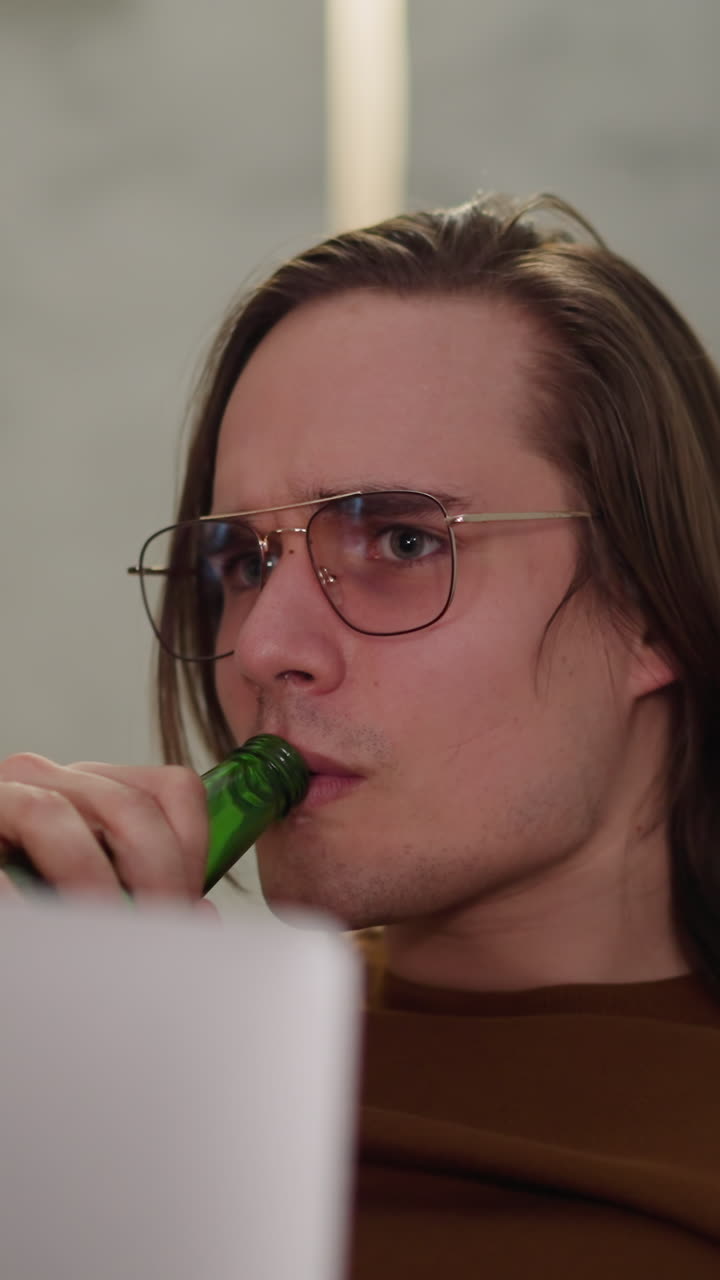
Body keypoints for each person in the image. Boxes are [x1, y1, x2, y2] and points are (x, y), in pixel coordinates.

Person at [2, 191, 720, 1275]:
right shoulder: (120, 1062)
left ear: (653, 606)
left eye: (400, 540)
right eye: (243, 560)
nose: (262, 646)